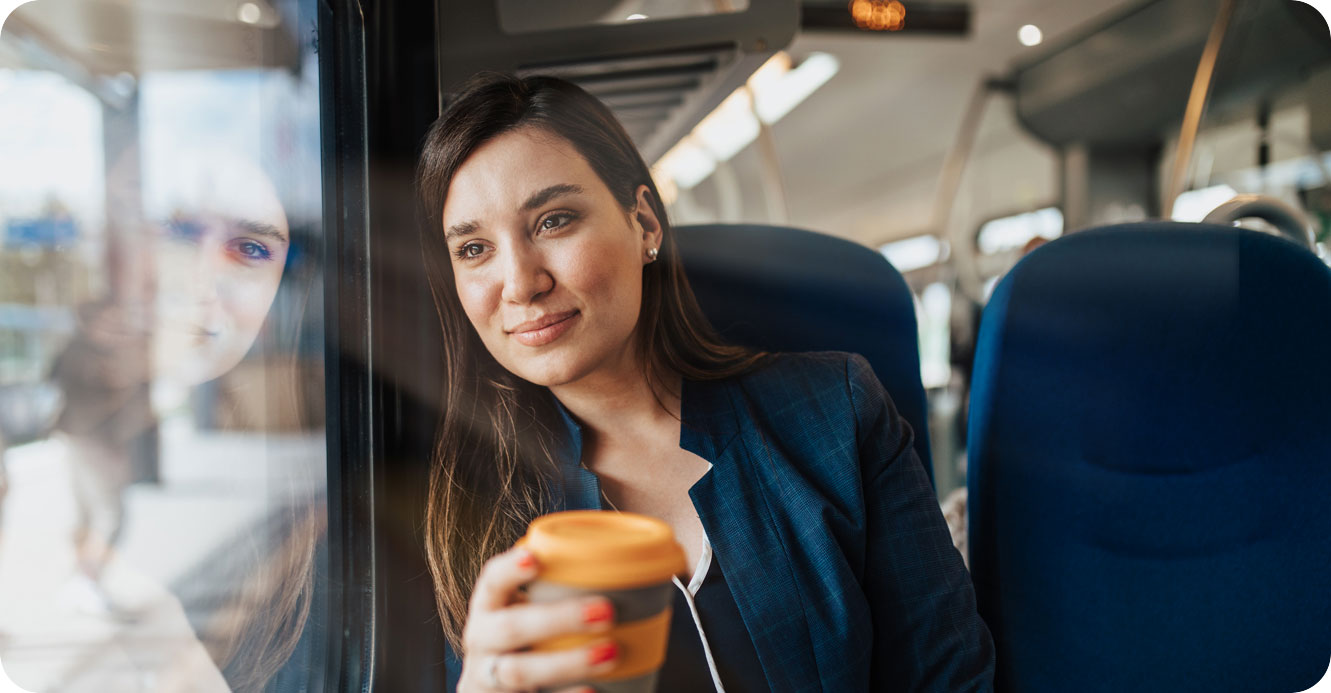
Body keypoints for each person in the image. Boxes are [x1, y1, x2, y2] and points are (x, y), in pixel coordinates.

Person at [416, 72, 995, 692]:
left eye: (554, 221)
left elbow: (948, 679)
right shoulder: (451, 510)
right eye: (474, 249)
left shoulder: (837, 412)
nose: (521, 283)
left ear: (644, 223)